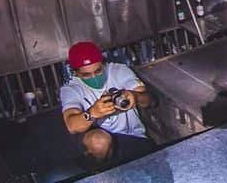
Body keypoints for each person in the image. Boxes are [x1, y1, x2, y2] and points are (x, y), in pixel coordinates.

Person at [59, 41, 155, 169]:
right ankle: (99, 170)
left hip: (133, 136)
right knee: (98, 142)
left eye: (98, 71)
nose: (94, 77)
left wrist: (135, 97)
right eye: (86, 75)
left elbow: (149, 100)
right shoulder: (71, 89)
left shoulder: (119, 70)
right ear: (76, 73)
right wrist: (92, 113)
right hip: (101, 140)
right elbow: (72, 125)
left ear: (103, 64)